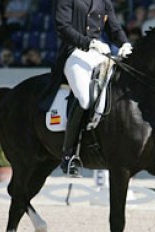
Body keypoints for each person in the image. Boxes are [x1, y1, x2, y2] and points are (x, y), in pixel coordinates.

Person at [48, 0, 132, 177]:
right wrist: (89, 43)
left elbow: (114, 27)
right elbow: (62, 26)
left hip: (99, 54)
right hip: (74, 53)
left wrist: (124, 43)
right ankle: (69, 154)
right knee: (85, 99)